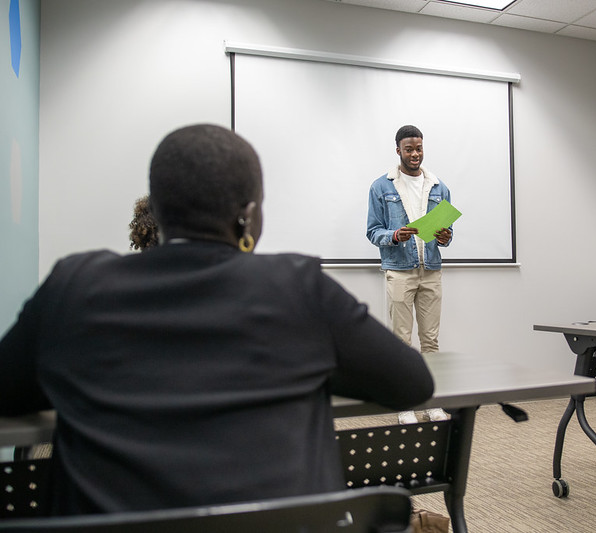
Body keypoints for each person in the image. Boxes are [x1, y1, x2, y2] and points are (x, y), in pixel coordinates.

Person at [0, 124, 434, 515]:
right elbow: (412, 382)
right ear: (247, 214)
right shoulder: (298, 287)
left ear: (155, 208)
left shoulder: (74, 286)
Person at [366, 125, 452, 425]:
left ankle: (432, 403)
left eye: (419, 148)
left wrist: (444, 237)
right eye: (409, 149)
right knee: (401, 342)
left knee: (431, 341)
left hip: (430, 270)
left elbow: (447, 234)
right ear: (398, 150)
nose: (415, 154)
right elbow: (373, 232)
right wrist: (395, 235)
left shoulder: (439, 186)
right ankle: (404, 405)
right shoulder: (382, 187)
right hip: (399, 271)